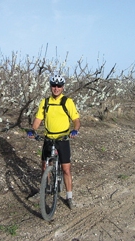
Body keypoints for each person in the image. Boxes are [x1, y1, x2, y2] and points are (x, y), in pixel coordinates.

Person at [27, 74, 80, 209]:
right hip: (49, 138)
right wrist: (33, 130)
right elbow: (38, 119)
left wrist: (75, 130)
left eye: (59, 86)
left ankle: (69, 197)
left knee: (66, 169)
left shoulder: (67, 102)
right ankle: (44, 189)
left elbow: (76, 120)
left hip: (63, 139)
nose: (56, 88)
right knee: (45, 166)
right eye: (54, 85)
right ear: (50, 86)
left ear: (62, 88)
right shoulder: (45, 102)